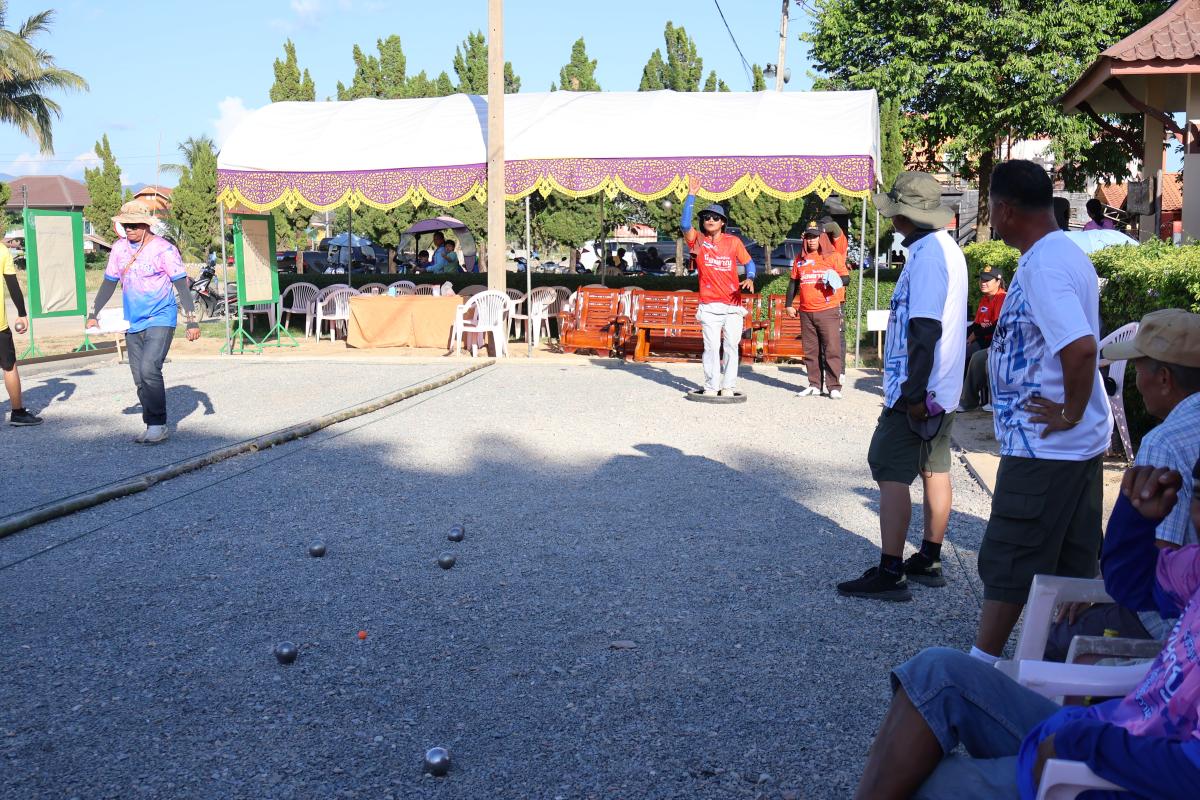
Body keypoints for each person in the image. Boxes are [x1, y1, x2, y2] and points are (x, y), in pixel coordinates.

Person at [852, 460, 1200, 800]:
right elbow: (1130, 585)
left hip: (1120, 776)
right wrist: (1135, 516)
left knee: (923, 784)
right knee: (934, 670)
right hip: (1109, 729)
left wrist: (1079, 742)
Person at [974, 159, 1113, 662]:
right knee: (1070, 569)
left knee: (1011, 561)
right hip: (1064, 447)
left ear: (1005, 210)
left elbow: (1080, 348)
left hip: (1045, 448)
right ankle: (1058, 672)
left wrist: (1069, 414)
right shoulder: (1060, 253)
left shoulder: (1044, 266)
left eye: (992, 208)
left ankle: (979, 668)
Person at [836, 172, 967, 601]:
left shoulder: (928, 256)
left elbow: (924, 328)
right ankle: (929, 557)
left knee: (889, 465)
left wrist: (912, 393)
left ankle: (891, 570)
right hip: (943, 386)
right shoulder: (948, 248)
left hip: (920, 389)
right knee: (935, 467)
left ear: (905, 216)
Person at [1043, 308, 1200, 661]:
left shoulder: (1165, 443)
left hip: (1172, 623)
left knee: (1056, 640)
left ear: (1164, 378)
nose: (1135, 380)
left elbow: (1161, 561)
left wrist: (1101, 589)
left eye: (1139, 368)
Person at [88, 201, 201, 444]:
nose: (129, 229)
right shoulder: (119, 249)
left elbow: (181, 285)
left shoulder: (164, 249)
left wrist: (191, 321)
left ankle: (158, 424)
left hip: (161, 317)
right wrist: (93, 313)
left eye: (134, 225)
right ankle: (152, 423)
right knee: (139, 376)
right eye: (125, 225)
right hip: (133, 320)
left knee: (150, 368)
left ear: (146, 225)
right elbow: (109, 283)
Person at [681, 175, 756, 398]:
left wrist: (750, 277)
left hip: (733, 305)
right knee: (712, 347)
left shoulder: (733, 242)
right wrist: (691, 195)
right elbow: (685, 224)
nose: (710, 220)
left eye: (715, 217)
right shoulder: (698, 240)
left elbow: (749, 262)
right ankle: (711, 386)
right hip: (709, 305)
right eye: (706, 217)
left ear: (723, 222)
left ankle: (728, 386)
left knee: (732, 346)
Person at [786, 225, 845, 398]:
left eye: (815, 236)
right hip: (806, 311)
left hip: (828, 309)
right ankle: (814, 385)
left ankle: (834, 387)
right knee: (811, 350)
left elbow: (846, 278)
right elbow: (793, 283)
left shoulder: (833, 256)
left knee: (831, 349)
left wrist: (835, 278)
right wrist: (789, 304)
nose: (811, 240)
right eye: (808, 237)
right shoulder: (800, 258)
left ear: (822, 237)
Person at [0, 239, 42, 426]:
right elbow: (12, 285)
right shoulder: (2, 250)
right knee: (9, 367)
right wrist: (22, 313)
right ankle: (17, 413)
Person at [960, 268, 1007, 411]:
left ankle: (969, 400)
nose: (983, 282)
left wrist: (976, 334)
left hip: (999, 343)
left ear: (998, 282)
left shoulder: (1002, 297)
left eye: (987, 280)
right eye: (981, 279)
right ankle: (959, 396)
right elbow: (976, 325)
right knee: (958, 351)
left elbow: (998, 326)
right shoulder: (985, 299)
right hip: (984, 341)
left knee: (974, 357)